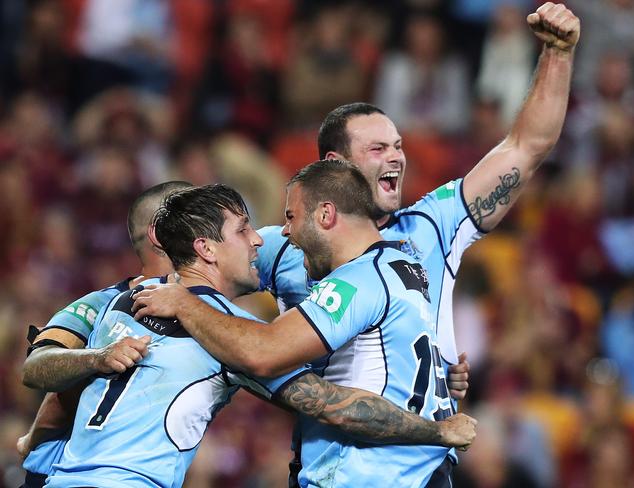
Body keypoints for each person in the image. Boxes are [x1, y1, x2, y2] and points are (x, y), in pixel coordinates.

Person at [258, 2, 580, 479]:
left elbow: (525, 147)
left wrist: (557, 54)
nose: (396, 158)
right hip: (331, 469)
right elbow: (202, 270)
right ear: (337, 162)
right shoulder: (283, 243)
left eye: (399, 145)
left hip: (424, 468)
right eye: (378, 148)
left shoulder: (432, 224)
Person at [46, 183, 476, 487]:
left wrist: (36, 448)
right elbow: (337, 408)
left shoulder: (119, 300)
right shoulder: (225, 335)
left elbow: (45, 379)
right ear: (206, 249)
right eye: (242, 230)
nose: (259, 240)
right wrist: (436, 431)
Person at [18, 180, 192, 488]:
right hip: (59, 476)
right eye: (200, 217)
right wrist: (98, 357)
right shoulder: (101, 304)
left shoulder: (206, 312)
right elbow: (35, 367)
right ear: (163, 233)